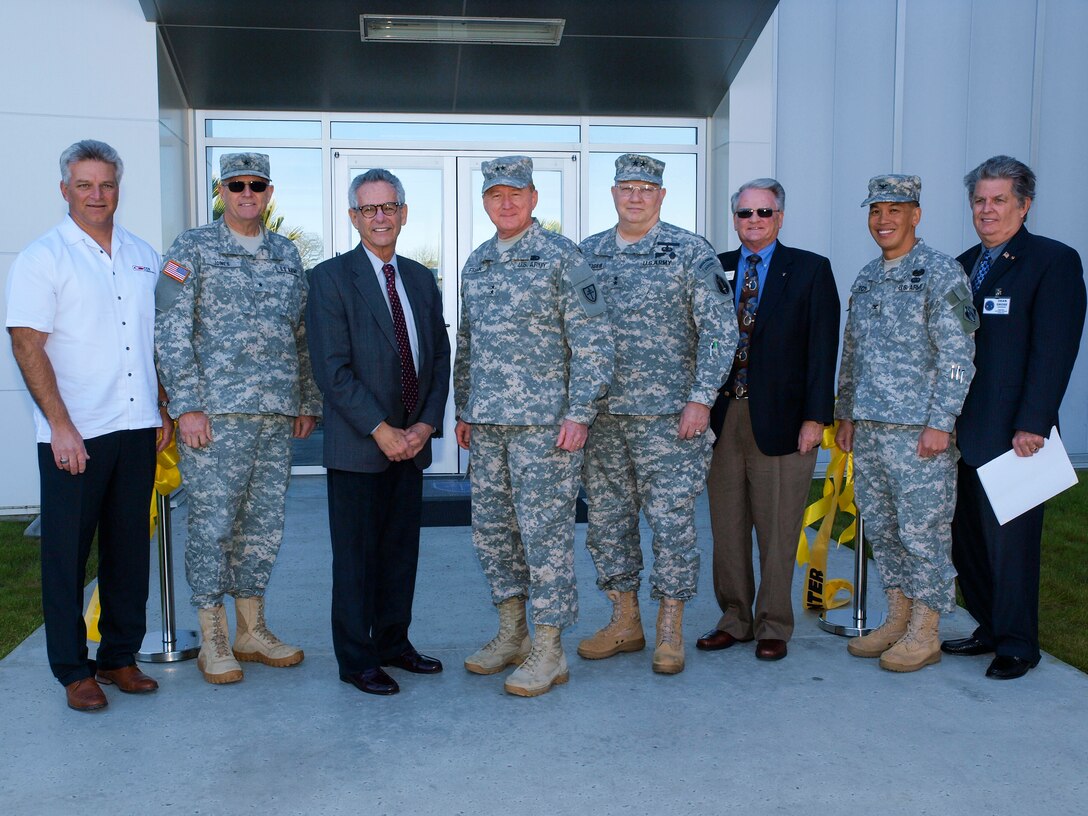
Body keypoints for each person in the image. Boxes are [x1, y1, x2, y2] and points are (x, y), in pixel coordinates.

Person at [6, 139, 171, 711]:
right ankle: (74, 670)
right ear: (64, 190)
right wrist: (60, 424)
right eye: (84, 185)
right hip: (75, 432)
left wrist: (163, 409)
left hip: (136, 426)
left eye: (105, 184)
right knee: (66, 556)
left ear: (118, 188)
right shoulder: (42, 257)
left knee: (128, 550)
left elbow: (155, 343)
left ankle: (119, 657)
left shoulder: (142, 254)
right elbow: (27, 344)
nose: (96, 195)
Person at [155, 152, 321, 685]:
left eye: (257, 185)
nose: (246, 193)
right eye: (236, 185)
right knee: (212, 525)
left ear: (269, 193)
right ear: (221, 191)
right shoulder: (192, 248)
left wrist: (306, 399)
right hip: (215, 416)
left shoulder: (285, 254)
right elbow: (170, 327)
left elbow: (301, 333)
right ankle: (214, 637)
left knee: (263, 525)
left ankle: (252, 629)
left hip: (274, 414)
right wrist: (187, 405)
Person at [454, 156, 613, 697]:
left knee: (544, 538)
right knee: (494, 534)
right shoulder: (476, 263)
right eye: (496, 193)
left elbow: (594, 341)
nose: (506, 202)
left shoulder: (563, 258)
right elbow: (469, 346)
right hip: (490, 425)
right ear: (484, 200)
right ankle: (512, 633)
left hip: (545, 429)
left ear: (534, 198)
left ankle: (550, 648)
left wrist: (579, 413)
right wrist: (465, 409)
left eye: (516, 193)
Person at [577, 154, 736, 674]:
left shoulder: (690, 252)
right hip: (603, 419)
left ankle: (670, 628)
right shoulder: (588, 255)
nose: (636, 196)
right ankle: (625, 621)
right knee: (606, 522)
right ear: (614, 192)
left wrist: (701, 398)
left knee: (671, 525)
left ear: (662, 195)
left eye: (647, 188)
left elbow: (719, 331)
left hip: (669, 419)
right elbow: (573, 332)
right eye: (627, 186)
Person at [306, 169, 451, 696]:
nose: (380, 217)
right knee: (356, 560)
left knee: (399, 553)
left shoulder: (419, 277)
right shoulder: (329, 279)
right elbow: (332, 369)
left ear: (404, 212)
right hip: (359, 447)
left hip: (411, 445)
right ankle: (356, 659)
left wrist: (426, 424)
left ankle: (393, 642)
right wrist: (381, 429)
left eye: (389, 206)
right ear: (353, 218)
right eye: (369, 209)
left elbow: (437, 356)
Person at [943, 156, 1086, 680]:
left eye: (999, 199)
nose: (987, 209)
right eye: (980, 200)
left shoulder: (1052, 261)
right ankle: (987, 625)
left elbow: (1054, 351)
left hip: (1015, 434)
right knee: (968, 542)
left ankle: (1019, 643)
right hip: (959, 432)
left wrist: (1034, 422)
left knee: (1013, 545)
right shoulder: (960, 264)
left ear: (1024, 205)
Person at [835, 174, 977, 673]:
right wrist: (845, 412)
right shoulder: (868, 276)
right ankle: (897, 617)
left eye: (895, 209)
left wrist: (942, 421)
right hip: (871, 430)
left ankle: (926, 628)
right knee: (885, 530)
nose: (884, 219)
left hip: (920, 434)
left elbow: (959, 354)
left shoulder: (941, 274)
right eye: (876, 210)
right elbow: (851, 354)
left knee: (924, 534)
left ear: (916, 215)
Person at [698, 178, 840, 662]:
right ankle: (735, 618)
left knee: (778, 528)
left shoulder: (810, 270)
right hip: (723, 418)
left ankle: (774, 623)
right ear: (734, 218)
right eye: (744, 214)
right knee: (727, 525)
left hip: (783, 421)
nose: (753, 221)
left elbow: (823, 350)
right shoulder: (715, 269)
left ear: (780, 217)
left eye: (763, 213)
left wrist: (816, 418)